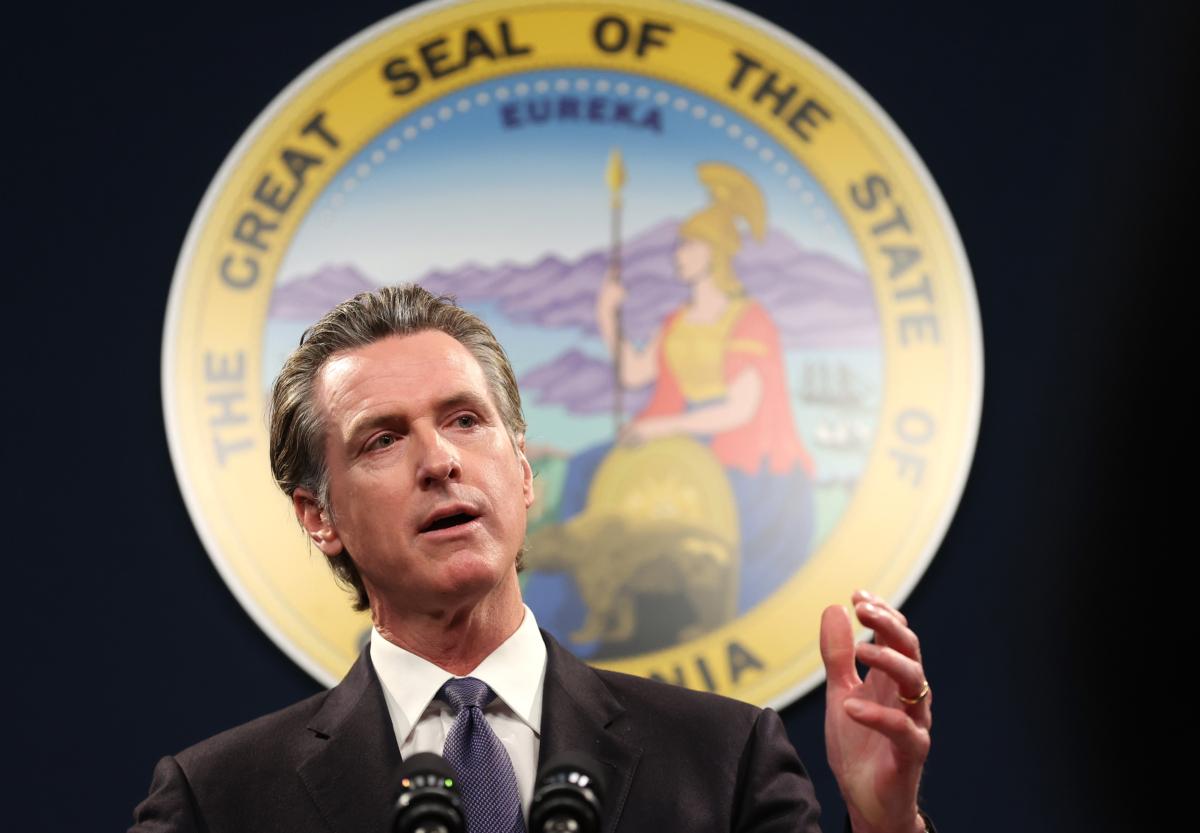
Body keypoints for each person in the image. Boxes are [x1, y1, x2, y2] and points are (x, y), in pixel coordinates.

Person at [131, 285, 933, 833]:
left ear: (522, 469)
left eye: (465, 420)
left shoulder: (722, 762)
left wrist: (885, 820)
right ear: (318, 516)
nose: (440, 459)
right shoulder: (219, 801)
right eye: (383, 439)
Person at [592, 162, 815, 615]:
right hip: (679, 427)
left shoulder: (748, 319)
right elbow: (635, 373)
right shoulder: (676, 319)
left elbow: (740, 409)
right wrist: (607, 317)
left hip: (730, 442)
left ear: (714, 251)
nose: (677, 254)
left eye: (687, 245)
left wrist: (660, 431)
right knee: (586, 470)